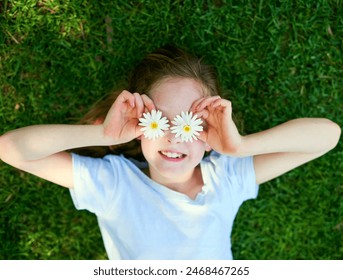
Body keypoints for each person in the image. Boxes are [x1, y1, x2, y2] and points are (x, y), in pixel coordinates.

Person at [0, 46, 340, 260]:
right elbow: (11, 149)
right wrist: (101, 134)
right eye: (160, 121)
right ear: (140, 125)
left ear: (211, 134)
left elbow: (327, 136)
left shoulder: (227, 177)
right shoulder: (114, 183)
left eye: (191, 124)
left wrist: (241, 145)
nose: (175, 138)